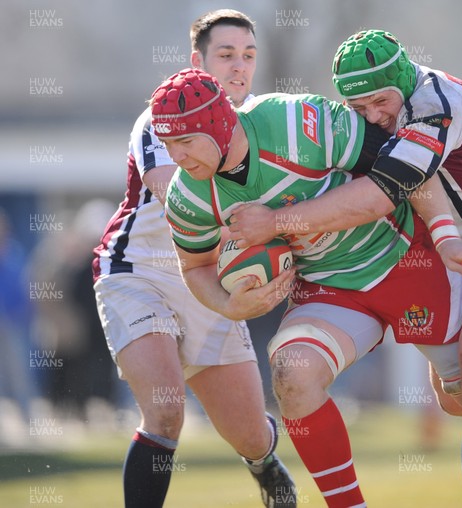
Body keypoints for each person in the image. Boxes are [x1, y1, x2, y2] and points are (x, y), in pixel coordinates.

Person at [152, 67, 462, 507]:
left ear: (219, 125)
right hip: (328, 287)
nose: (177, 156)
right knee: (292, 372)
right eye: (169, 144)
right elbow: (195, 267)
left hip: (407, 259)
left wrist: (445, 235)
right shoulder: (187, 196)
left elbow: (407, 169)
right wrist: (229, 305)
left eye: (185, 141)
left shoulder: (297, 122)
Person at [92, 10, 296, 508]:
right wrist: (253, 226)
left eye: (248, 55)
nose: (239, 66)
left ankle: (264, 462)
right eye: (225, 55)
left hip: (211, 281)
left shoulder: (265, 125)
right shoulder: (161, 120)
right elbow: (170, 191)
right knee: (165, 412)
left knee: (250, 436)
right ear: (197, 61)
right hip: (136, 273)